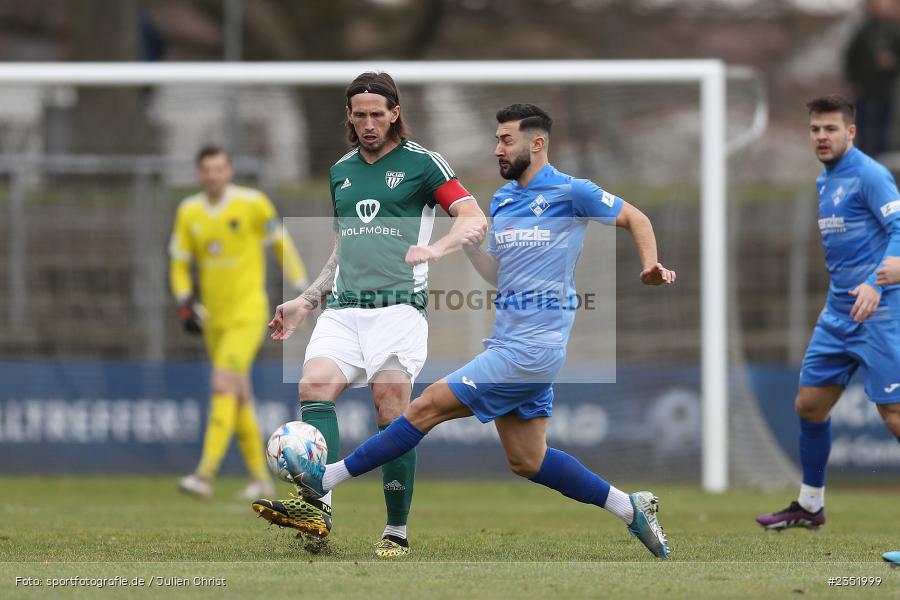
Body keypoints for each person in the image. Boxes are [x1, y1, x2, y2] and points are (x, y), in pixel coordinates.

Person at [279, 103, 677, 559]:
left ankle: (322, 481)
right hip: (509, 343)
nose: (497, 150)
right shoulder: (505, 200)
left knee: (422, 408)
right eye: (496, 140)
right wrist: (467, 250)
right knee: (528, 460)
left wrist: (649, 265)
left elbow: (636, 218)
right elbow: (499, 274)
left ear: (537, 143)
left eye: (506, 140)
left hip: (532, 349)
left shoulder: (572, 191)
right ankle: (631, 508)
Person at [251, 72, 487, 557]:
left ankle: (395, 531)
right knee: (313, 388)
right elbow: (344, 244)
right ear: (349, 117)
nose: (368, 123)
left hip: (400, 310)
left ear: (395, 113)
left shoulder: (423, 164)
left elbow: (472, 217)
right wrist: (307, 299)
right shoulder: (340, 170)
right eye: (359, 115)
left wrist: (436, 249)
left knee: (390, 405)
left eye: (377, 114)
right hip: (342, 310)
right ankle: (318, 510)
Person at [756, 95, 900, 531]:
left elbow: (899, 230)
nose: (822, 136)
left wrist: (877, 284)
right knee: (810, 405)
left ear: (850, 132)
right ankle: (811, 505)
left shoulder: (870, 175)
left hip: (881, 314)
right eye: (815, 129)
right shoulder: (825, 180)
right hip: (838, 314)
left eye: (831, 129)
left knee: (894, 415)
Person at [169, 145, 309, 500]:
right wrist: (185, 301)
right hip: (213, 320)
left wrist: (300, 286)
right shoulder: (189, 212)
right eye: (206, 170)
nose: (213, 175)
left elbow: (280, 243)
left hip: (248, 313)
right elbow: (180, 263)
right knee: (239, 395)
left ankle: (205, 473)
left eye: (219, 168)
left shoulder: (252, 203)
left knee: (222, 384)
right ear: (199, 174)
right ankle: (261, 479)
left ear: (229, 171)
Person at [844, 0, 900, 156]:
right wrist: (852, 80)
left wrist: (891, 62)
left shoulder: (894, 32)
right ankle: (863, 157)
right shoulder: (864, 31)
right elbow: (851, 57)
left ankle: (882, 159)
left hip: (886, 89)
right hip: (865, 87)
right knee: (863, 125)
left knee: (884, 126)